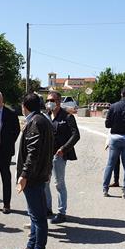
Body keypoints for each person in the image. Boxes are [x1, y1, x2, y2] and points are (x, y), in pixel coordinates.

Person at [12, 93, 54, 249]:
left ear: (24, 106)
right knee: (35, 216)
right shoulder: (42, 119)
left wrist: (24, 174)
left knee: (38, 219)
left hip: (34, 178)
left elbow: (33, 151)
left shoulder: (35, 122)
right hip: (39, 175)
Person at [44, 91, 80, 224]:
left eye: (52, 100)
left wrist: (64, 149)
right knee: (45, 182)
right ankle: (47, 208)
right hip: (46, 155)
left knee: (59, 184)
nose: (50, 103)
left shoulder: (68, 117)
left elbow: (76, 135)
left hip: (59, 156)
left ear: (59, 101)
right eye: (48, 100)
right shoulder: (46, 116)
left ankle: (61, 213)